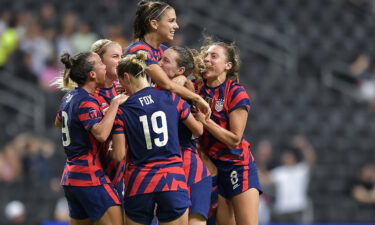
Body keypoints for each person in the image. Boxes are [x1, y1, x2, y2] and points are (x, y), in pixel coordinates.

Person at [111, 51, 203, 225]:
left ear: (126, 77)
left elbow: (118, 156)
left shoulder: (122, 110)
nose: (120, 86)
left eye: (120, 81)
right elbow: (198, 131)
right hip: (172, 180)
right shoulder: (172, 97)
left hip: (139, 182)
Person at [194, 40, 262, 225]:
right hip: (214, 170)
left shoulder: (235, 92)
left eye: (214, 56)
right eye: (206, 55)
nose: (207, 59)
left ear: (227, 65)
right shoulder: (194, 88)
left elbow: (234, 139)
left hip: (238, 166)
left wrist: (205, 122)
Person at [55, 51, 127, 225]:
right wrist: (115, 104)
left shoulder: (70, 96)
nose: (104, 66)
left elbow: (58, 122)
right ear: (92, 74)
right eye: (100, 64)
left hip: (71, 177)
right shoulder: (86, 100)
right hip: (89, 175)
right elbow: (101, 134)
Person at [125, 0, 210, 117]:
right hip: (136, 115)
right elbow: (166, 84)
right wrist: (197, 98)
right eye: (171, 21)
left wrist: (183, 78)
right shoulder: (139, 50)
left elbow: (184, 85)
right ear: (154, 24)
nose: (176, 26)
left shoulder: (164, 51)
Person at [159, 46, 212, 225]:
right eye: (160, 59)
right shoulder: (152, 91)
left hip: (191, 170)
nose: (158, 64)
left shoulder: (186, 91)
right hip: (165, 170)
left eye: (166, 61)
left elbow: (199, 130)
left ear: (180, 70)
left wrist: (183, 82)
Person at [91, 39, 126, 207]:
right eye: (115, 56)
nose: (121, 61)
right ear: (100, 61)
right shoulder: (89, 94)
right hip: (97, 172)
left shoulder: (123, 89)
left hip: (121, 171)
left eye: (122, 56)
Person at [268, 135, 316, 223]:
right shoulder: (279, 172)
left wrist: (304, 146)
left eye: (288, 156)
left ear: (294, 157)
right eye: (285, 156)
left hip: (298, 209)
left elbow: (311, 159)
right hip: (282, 210)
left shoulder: (301, 169)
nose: (286, 158)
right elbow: (265, 179)